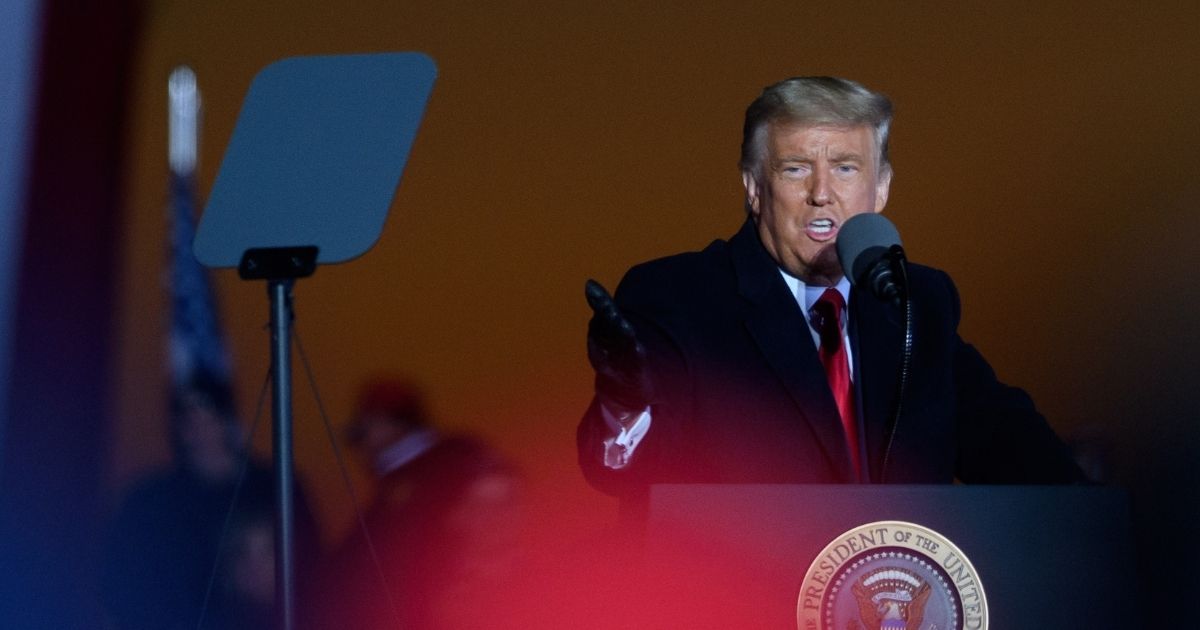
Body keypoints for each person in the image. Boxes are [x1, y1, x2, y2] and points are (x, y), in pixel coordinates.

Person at [578, 76, 1085, 507]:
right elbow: (620, 474)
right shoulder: (678, 297)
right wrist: (624, 407)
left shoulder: (916, 303)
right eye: (795, 168)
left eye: (845, 167)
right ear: (754, 188)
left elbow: (1016, 450)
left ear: (881, 187)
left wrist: (1104, 520)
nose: (822, 193)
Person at [100, 372, 318, 630]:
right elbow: (119, 581)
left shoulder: (278, 488)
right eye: (187, 417)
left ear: (227, 417)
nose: (198, 427)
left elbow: (313, 568)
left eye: (208, 412)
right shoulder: (149, 502)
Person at [312, 378, 523, 630]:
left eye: (363, 432)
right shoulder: (400, 483)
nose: (362, 447)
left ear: (385, 424)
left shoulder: (449, 463)